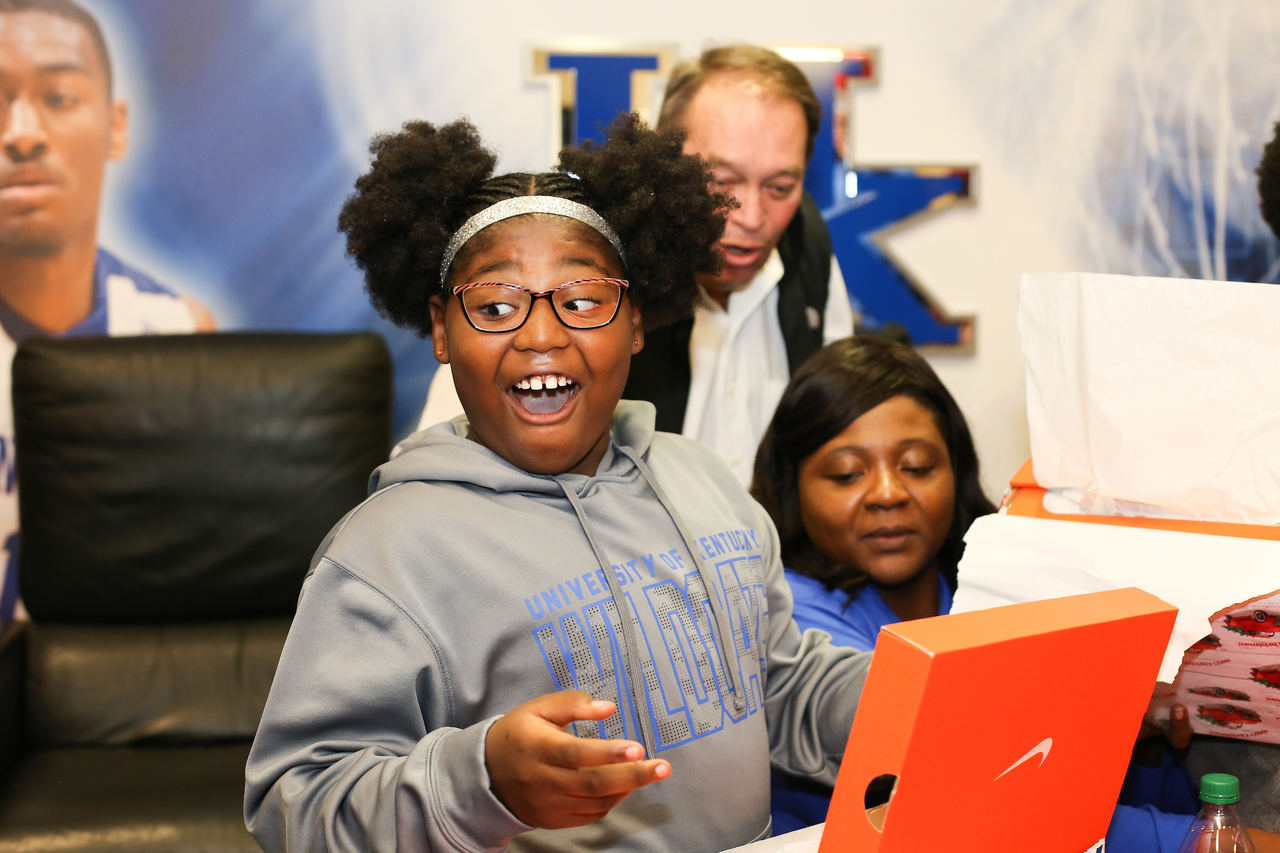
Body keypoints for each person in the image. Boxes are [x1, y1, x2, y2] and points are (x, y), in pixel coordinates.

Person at [244, 114, 873, 853]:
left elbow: (776, 682)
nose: (542, 335)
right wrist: (483, 783)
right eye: (496, 305)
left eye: (581, 299)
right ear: (442, 330)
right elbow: (299, 800)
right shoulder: (384, 555)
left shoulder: (703, 480)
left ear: (636, 320)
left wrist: (915, 694)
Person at [752, 336, 1280, 852]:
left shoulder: (997, 591)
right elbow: (970, 809)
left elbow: (1076, 795)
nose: (888, 493)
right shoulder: (794, 627)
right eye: (846, 474)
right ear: (792, 487)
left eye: (916, 466)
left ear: (956, 472)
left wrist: (1136, 741)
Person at [418, 46, 856, 487]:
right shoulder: (585, 279)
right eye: (721, 182)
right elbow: (442, 459)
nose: (753, 216)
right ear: (665, 166)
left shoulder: (810, 251)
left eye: (781, 186)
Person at [0, 0, 214, 620]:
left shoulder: (178, 332)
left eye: (59, 98)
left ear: (116, 126)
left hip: (118, 701)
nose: (22, 132)